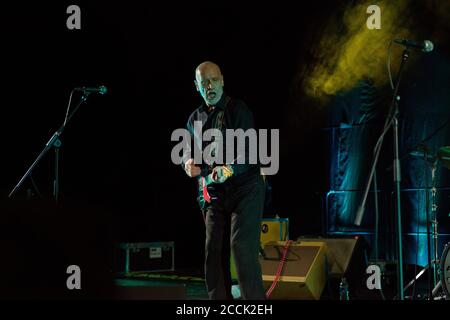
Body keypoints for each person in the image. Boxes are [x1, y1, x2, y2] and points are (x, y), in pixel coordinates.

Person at [182, 61, 266, 300]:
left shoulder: (238, 110)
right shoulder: (193, 119)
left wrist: (229, 169)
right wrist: (187, 163)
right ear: (196, 86)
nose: (210, 86)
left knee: (241, 249)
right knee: (213, 251)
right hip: (215, 193)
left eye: (214, 80)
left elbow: (251, 153)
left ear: (222, 80)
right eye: (204, 82)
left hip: (245, 188)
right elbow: (186, 151)